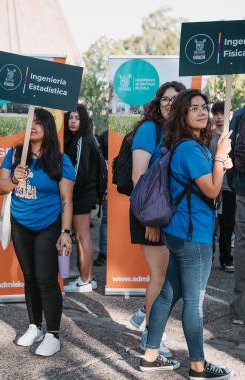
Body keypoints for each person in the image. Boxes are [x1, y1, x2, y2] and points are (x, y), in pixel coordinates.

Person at [140, 89, 233, 379]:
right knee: (194, 302)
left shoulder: (187, 145)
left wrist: (220, 163)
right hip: (194, 236)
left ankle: (151, 356)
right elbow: (213, 190)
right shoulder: (191, 149)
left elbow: (208, 183)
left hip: (179, 232)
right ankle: (198, 366)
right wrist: (219, 158)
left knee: (168, 294)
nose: (203, 112)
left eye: (204, 107)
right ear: (182, 114)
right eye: (194, 109)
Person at [0, 108, 75, 357]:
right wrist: (14, 181)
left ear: (48, 128)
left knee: (46, 278)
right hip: (20, 223)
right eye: (31, 121)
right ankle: (35, 327)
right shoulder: (14, 154)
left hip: (49, 224)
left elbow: (67, 199)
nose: (33, 126)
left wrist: (65, 231)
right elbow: (1, 187)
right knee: (29, 276)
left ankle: (53, 334)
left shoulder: (61, 160)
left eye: (40, 122)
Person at [130, 81, 186, 356]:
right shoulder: (148, 130)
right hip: (151, 215)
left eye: (175, 100)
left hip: (171, 216)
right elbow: (139, 178)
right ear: (158, 102)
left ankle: (145, 315)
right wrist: (151, 220)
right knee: (161, 278)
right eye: (165, 99)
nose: (169, 104)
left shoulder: (179, 133)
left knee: (168, 278)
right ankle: (149, 338)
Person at [63, 104, 100, 292]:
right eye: (70, 118)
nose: (73, 121)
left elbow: (79, 173)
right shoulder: (82, 139)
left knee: (82, 236)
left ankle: (85, 280)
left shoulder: (81, 141)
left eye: (77, 118)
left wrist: (67, 196)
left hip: (80, 194)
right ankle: (88, 277)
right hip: (83, 193)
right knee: (81, 236)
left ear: (83, 120)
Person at [209, 101, 235, 272]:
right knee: (211, 224)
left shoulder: (234, 135)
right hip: (211, 184)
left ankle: (226, 258)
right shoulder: (207, 135)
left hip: (230, 187)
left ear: (229, 114)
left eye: (222, 113)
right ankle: (208, 257)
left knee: (227, 225)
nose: (219, 117)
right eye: (216, 113)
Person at [229, 103, 245, 325]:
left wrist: (234, 182)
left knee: (242, 243)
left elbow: (230, 148)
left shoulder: (241, 114)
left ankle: (240, 309)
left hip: (243, 187)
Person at [94, 129, 108, 266]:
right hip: (113, 193)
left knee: (105, 224)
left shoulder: (101, 158)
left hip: (106, 194)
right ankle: (104, 253)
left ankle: (103, 254)